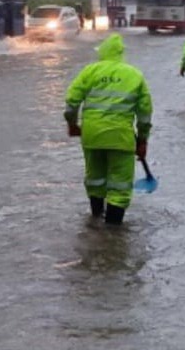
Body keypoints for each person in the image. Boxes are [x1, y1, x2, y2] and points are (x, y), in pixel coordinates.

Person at [64, 33, 152, 225]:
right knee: (120, 186)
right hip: (121, 138)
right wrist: (143, 139)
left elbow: (71, 102)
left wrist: (72, 125)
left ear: (102, 52)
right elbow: (145, 113)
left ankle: (95, 221)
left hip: (92, 136)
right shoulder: (135, 75)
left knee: (95, 179)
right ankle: (113, 236)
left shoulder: (90, 71)